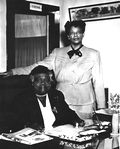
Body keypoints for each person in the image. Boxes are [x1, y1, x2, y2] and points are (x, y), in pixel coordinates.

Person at [2, 20, 106, 121]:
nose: (75, 35)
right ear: (68, 36)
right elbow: (37, 66)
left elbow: (99, 83)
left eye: (78, 32)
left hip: (85, 103)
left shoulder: (94, 53)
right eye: (72, 33)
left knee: (86, 130)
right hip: (63, 101)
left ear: (83, 34)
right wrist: (14, 72)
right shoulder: (57, 52)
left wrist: (102, 109)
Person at [3, 65, 85, 132]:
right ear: (32, 80)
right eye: (39, 80)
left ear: (50, 81)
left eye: (46, 80)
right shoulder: (22, 98)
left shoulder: (56, 95)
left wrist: (76, 119)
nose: (43, 83)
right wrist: (27, 125)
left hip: (56, 136)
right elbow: (12, 121)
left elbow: (67, 112)